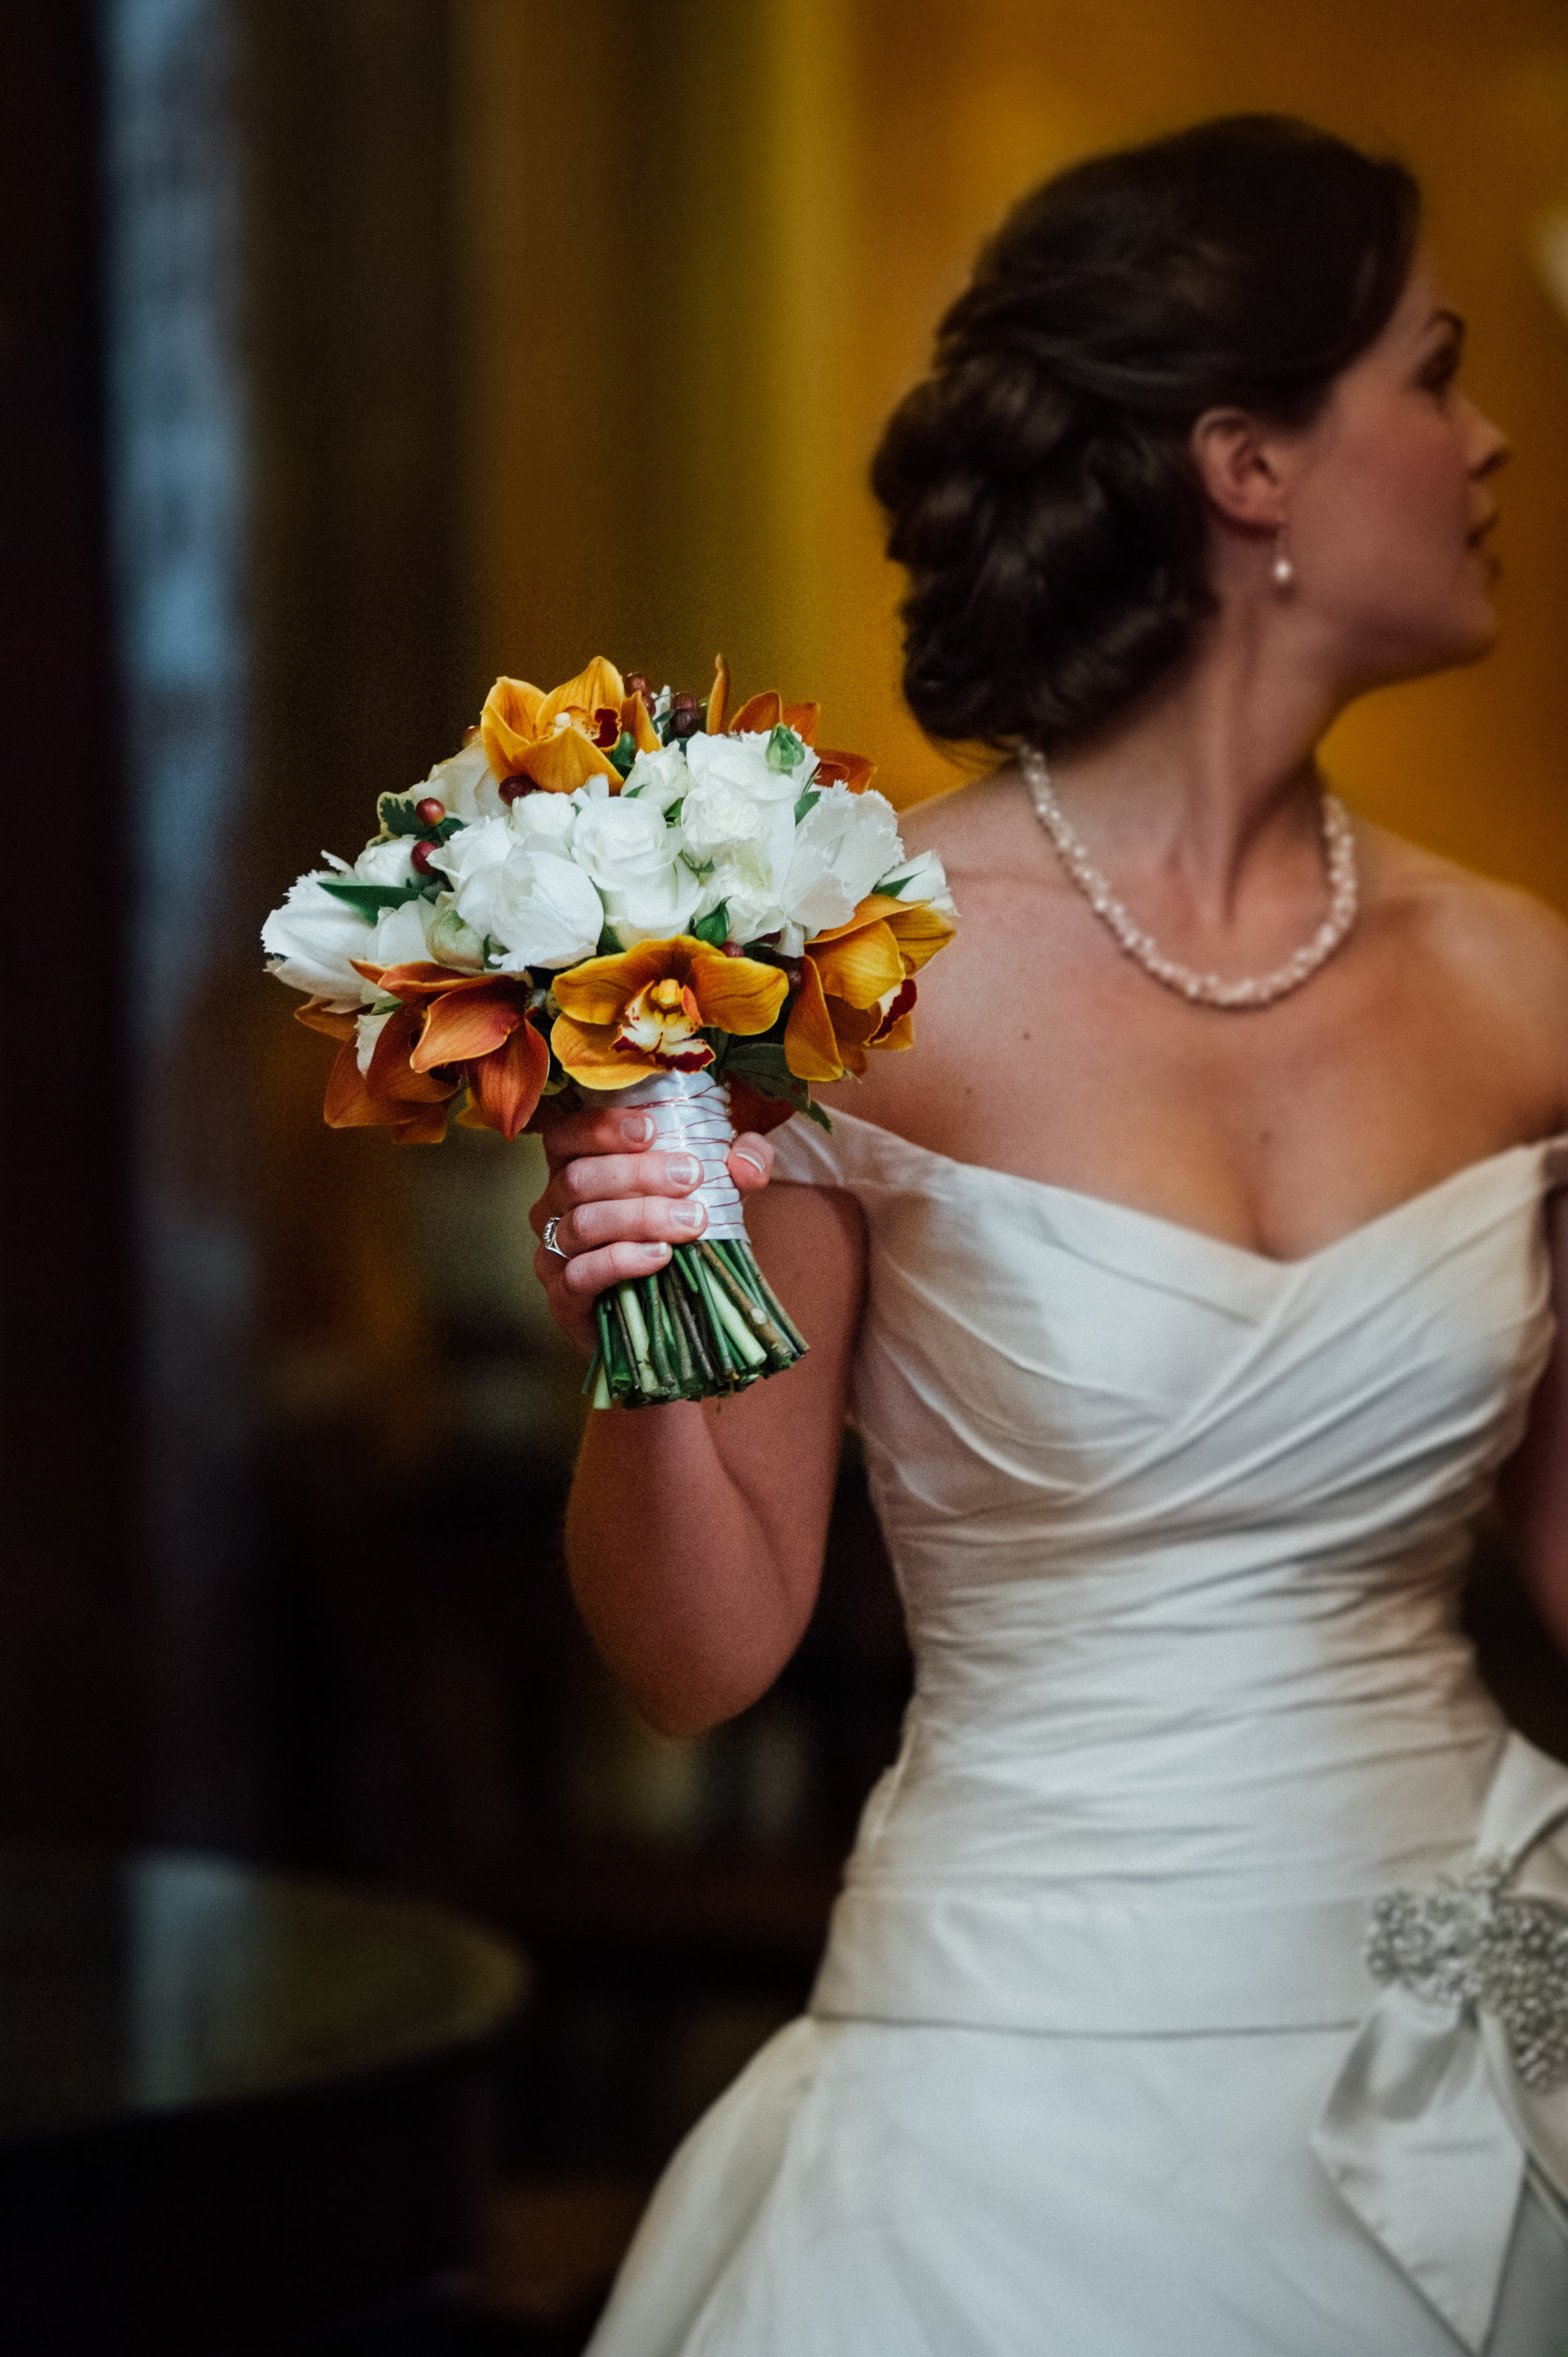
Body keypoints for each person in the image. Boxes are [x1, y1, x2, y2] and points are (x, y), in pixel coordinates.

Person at [531, 116, 1568, 2356]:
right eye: (1433, 369)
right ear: (1245, 462)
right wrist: (637, 1316)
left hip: (1479, 2017)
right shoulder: (839, 972)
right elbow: (697, 1653)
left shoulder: (1522, 991)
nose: (1487, 440)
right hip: (1007, 2103)